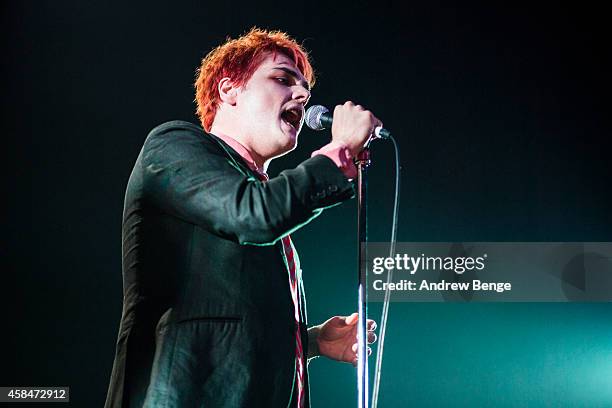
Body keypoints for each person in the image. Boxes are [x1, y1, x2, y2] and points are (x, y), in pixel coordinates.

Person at [105, 28, 380, 407]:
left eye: (305, 89)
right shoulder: (172, 146)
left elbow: (233, 314)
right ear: (228, 90)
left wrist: (311, 341)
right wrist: (338, 153)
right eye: (283, 79)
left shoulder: (260, 192)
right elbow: (254, 214)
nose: (301, 95)